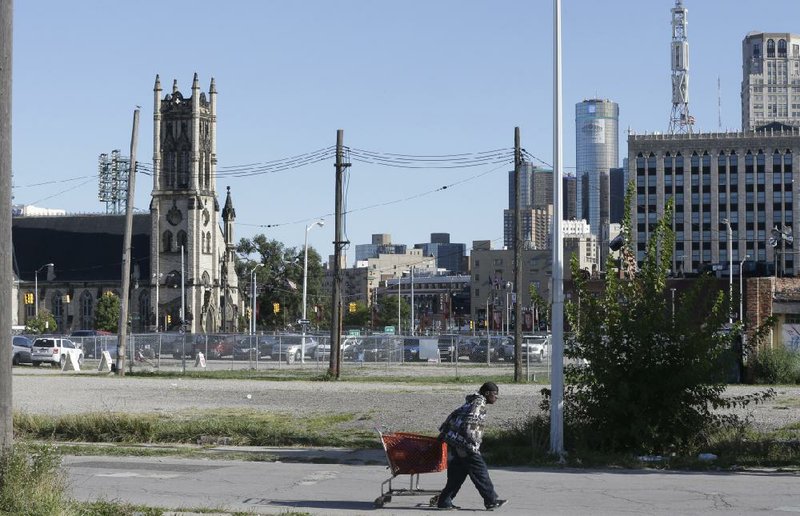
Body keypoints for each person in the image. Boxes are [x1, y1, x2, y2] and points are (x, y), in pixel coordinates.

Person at [436, 381, 508, 511]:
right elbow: (470, 424)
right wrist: (473, 445)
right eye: (495, 394)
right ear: (487, 393)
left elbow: (455, 417)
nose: (496, 397)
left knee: (457, 475)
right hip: (465, 444)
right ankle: (491, 501)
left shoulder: (471, 401)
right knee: (480, 472)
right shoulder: (479, 404)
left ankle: (444, 501)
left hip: (455, 442)